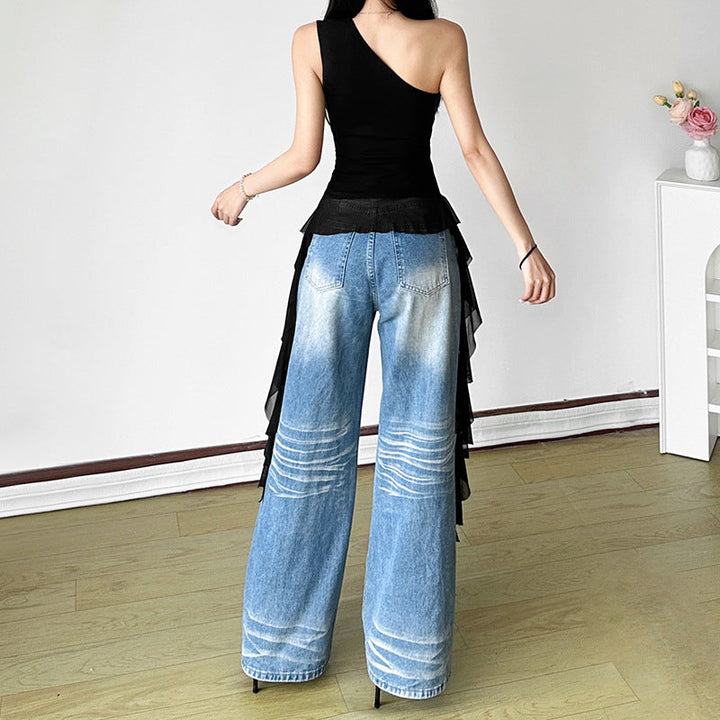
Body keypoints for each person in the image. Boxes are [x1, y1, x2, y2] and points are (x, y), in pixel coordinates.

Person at [210, 0, 556, 707]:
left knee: (308, 448)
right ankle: (405, 665)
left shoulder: (311, 40)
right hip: (421, 249)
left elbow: (305, 157)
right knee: (417, 453)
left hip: (333, 253)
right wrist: (526, 247)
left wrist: (241, 188)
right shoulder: (444, 38)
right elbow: (474, 150)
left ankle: (277, 650)